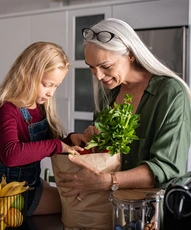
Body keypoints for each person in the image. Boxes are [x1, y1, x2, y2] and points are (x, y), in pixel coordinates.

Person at [56, 18, 191, 208]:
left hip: (152, 212)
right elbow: (108, 156)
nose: (98, 76)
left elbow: (167, 168)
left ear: (130, 55)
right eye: (91, 67)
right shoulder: (108, 94)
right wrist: (95, 140)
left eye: (106, 66)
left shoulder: (170, 93)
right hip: (111, 207)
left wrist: (107, 181)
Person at [0, 41, 83, 216]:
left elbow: (44, 142)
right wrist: (58, 145)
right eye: (47, 84)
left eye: (56, 86)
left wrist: (69, 140)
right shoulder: (7, 109)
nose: (51, 92)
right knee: (75, 204)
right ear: (27, 74)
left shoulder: (39, 106)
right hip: (13, 197)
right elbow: (11, 155)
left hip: (31, 184)